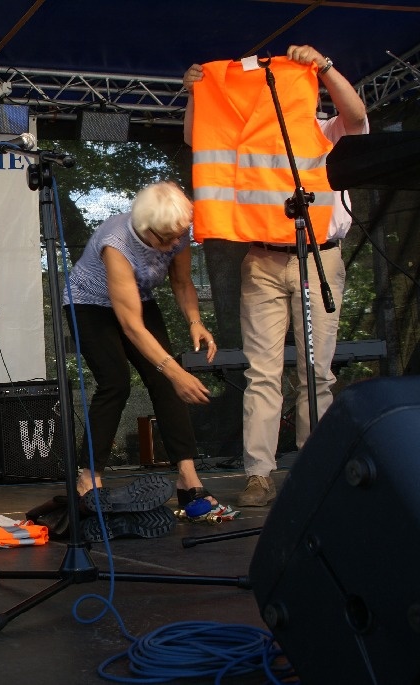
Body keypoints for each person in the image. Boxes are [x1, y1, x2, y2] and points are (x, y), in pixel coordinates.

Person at [183, 44, 368, 506]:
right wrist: (196, 94)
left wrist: (325, 66)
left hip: (319, 257)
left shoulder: (326, 129)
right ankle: (259, 475)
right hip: (262, 261)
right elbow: (197, 137)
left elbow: (358, 116)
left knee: (316, 373)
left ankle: (315, 469)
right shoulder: (249, 133)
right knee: (262, 373)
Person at [64, 181, 224, 525]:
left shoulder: (177, 231)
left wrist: (195, 321)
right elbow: (132, 327)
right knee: (116, 382)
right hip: (89, 304)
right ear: (144, 227)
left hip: (139, 299)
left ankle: (188, 478)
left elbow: (182, 282)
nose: (172, 245)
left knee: (164, 381)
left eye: (177, 238)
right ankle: (88, 477)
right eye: (164, 240)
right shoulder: (117, 243)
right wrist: (176, 372)